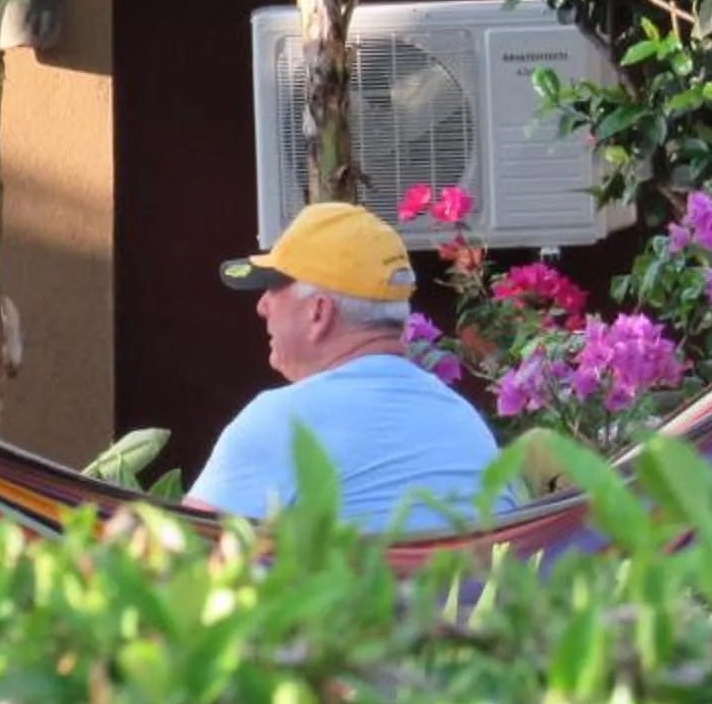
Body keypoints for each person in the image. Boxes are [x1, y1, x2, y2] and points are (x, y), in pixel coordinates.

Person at [188, 201, 506, 533]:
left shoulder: (282, 424)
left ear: (318, 313)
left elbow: (179, 567)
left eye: (275, 286)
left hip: (346, 587)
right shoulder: (466, 424)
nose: (262, 305)